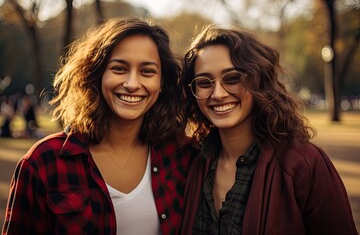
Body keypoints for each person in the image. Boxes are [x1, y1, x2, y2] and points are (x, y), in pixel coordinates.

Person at [2, 17, 197, 235]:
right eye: (119, 68)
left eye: (147, 71)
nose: (132, 84)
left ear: (162, 83)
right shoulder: (44, 161)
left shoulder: (183, 155)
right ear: (97, 75)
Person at [180, 25, 358, 234]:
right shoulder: (192, 162)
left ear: (258, 80)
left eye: (232, 78)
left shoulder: (304, 164)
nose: (218, 94)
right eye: (204, 82)